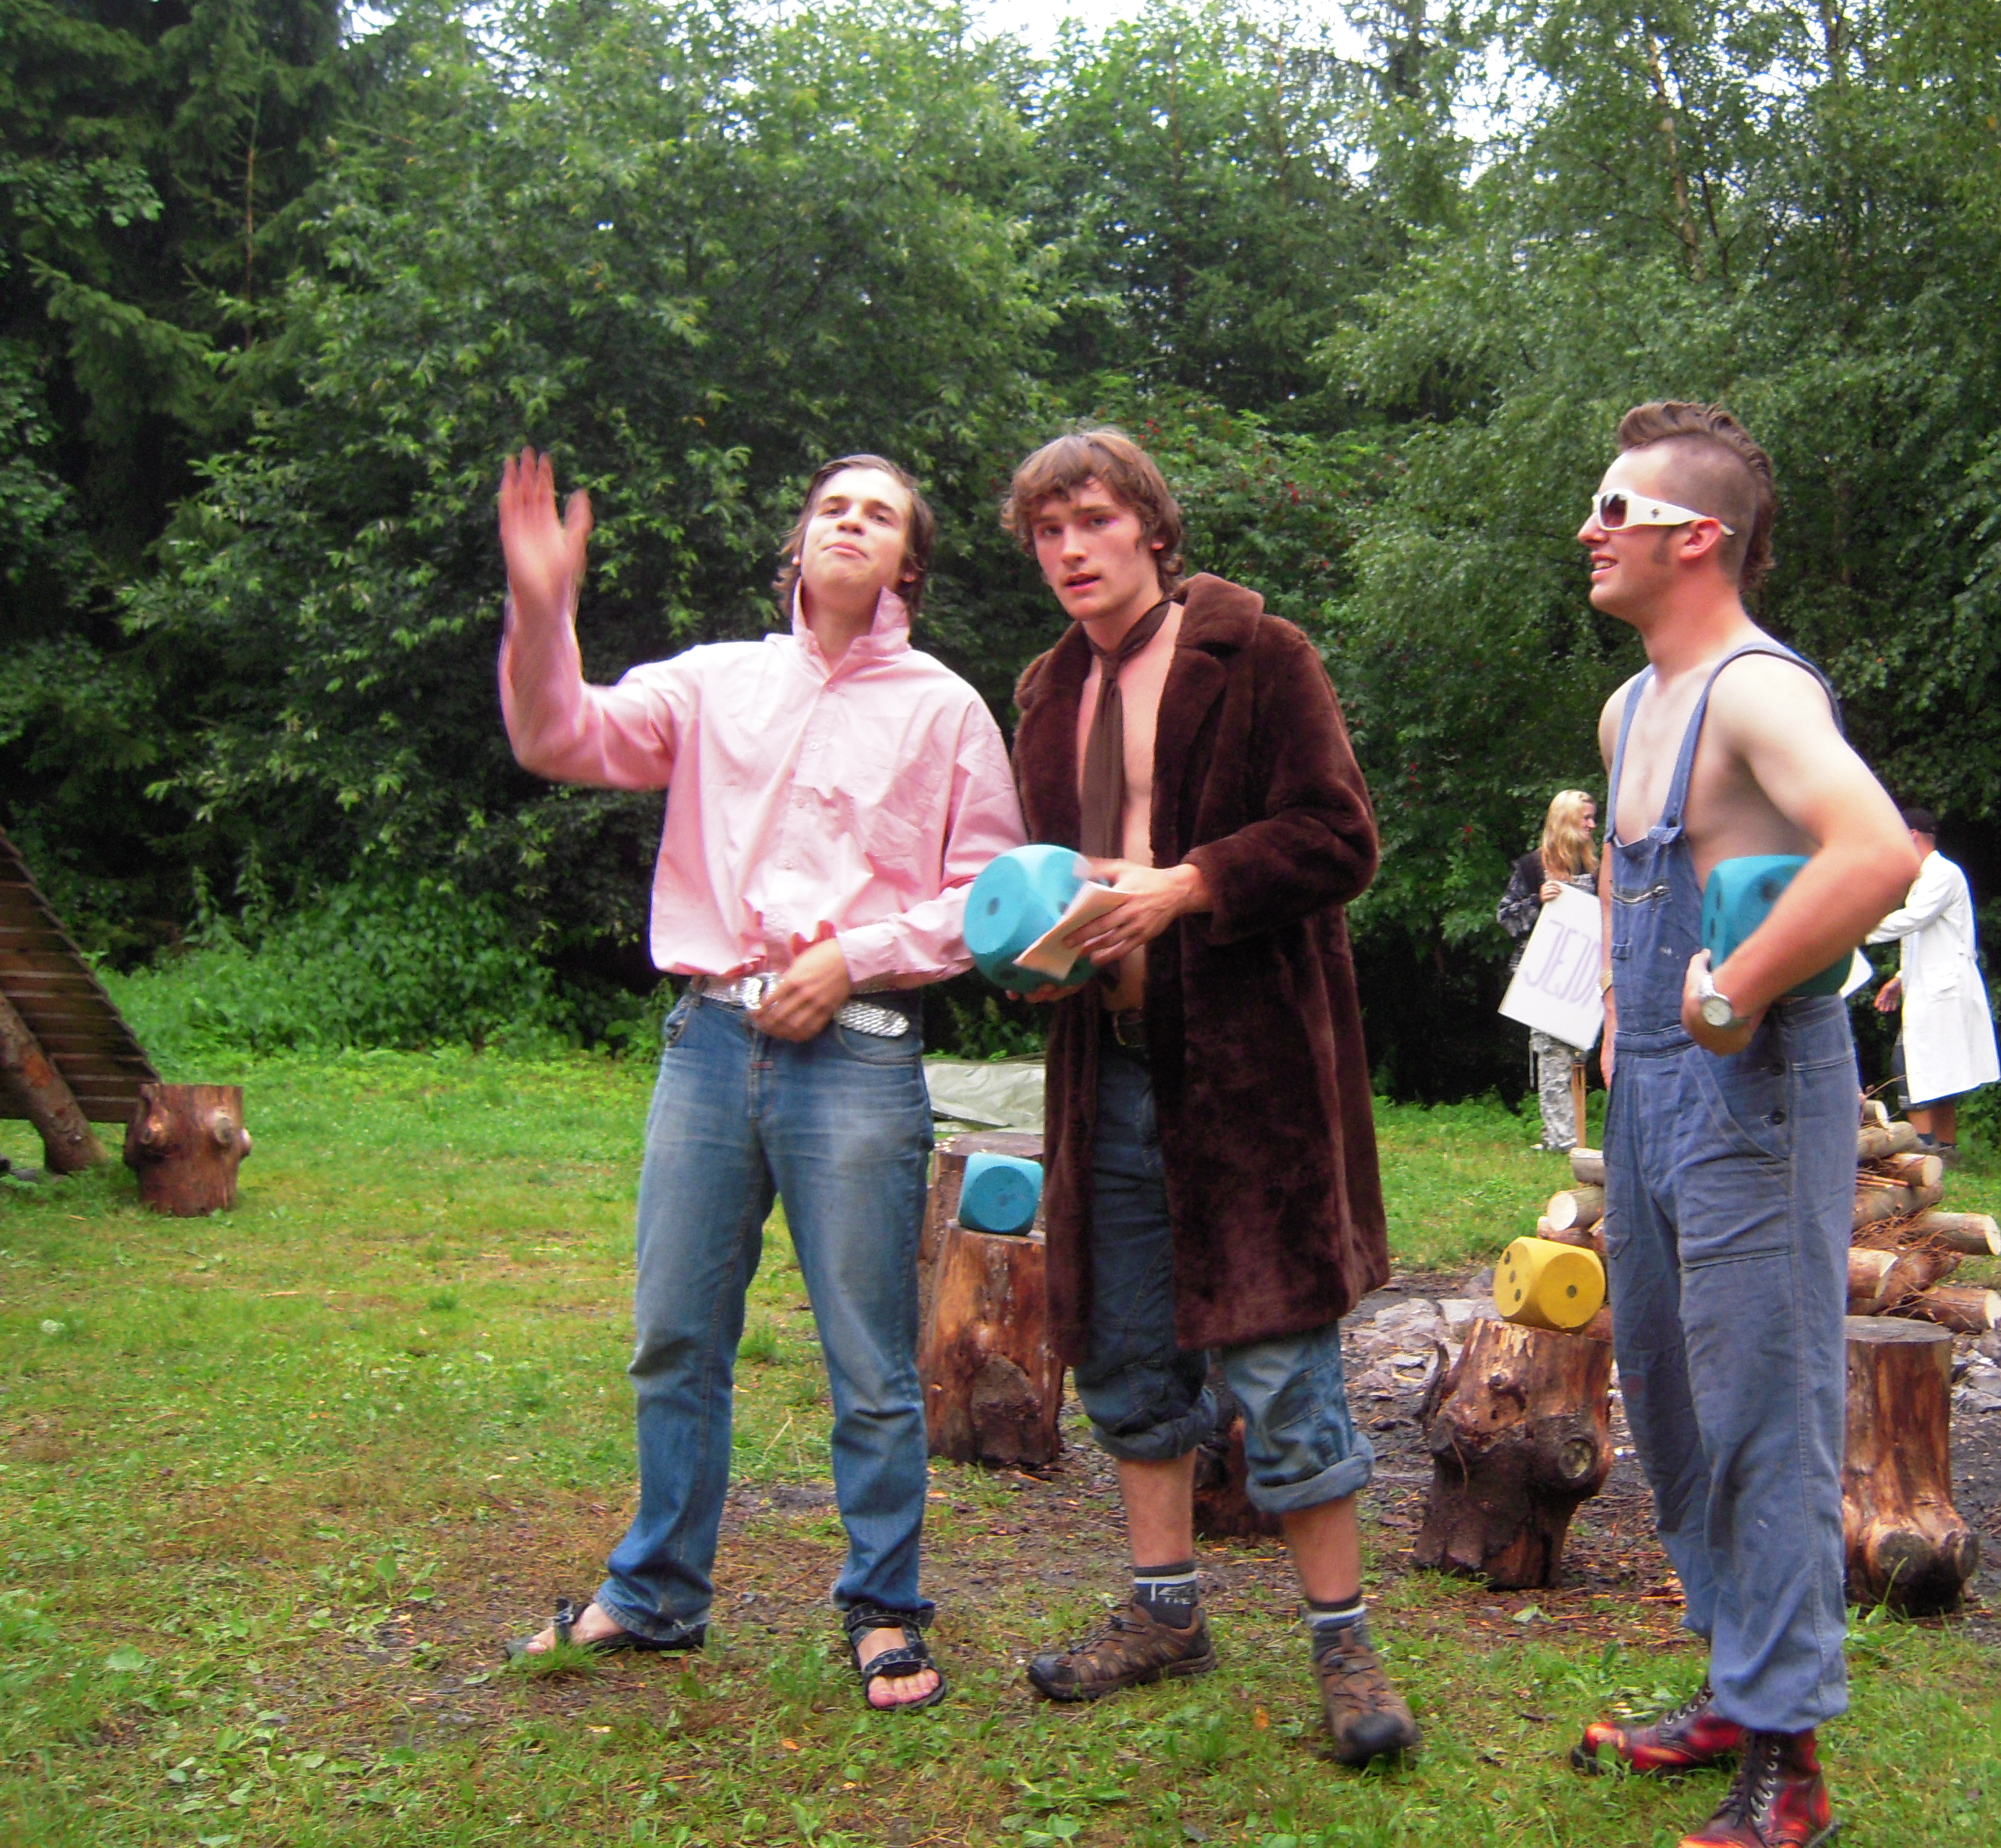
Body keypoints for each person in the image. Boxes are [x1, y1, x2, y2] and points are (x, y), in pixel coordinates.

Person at [494, 448, 1024, 1713]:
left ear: (908, 564)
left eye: (880, 514)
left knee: (870, 1360)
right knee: (674, 1336)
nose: (851, 523)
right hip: (709, 1046)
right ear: (798, 542)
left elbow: (988, 898)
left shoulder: (947, 709)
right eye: (832, 506)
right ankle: (656, 1592)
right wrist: (542, 607)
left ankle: (885, 1609)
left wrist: (851, 957)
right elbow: (557, 735)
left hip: (861, 1057)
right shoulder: (713, 681)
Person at [999, 428, 1417, 1766]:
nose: (1072, 550)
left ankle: (1342, 1642)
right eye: (1048, 532)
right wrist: (1034, 953)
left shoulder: (1260, 653)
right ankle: (1164, 1613)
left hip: (1249, 1080)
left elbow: (1340, 836)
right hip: (1108, 1070)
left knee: (1281, 1359)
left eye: (1093, 520)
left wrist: (1188, 886)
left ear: (1152, 528)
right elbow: (1043, 874)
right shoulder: (1045, 692)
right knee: (1125, 1350)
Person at [1565, 404, 1920, 1848]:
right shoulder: (1629, 708)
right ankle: (1732, 1684)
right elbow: (1628, 882)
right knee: (1667, 1394)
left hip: (1754, 1087)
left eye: (1614, 509)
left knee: (1764, 1410)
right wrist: (1618, 1018)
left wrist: (1733, 991)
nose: (1588, 531)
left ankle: (1788, 1762)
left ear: (1695, 537)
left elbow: (1877, 851)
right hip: (1653, 1089)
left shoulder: (1757, 691)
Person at [1867, 806, 2000, 1150]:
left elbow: (1915, 919)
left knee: (1911, 1066)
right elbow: (1930, 938)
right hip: (1932, 984)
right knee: (1939, 1069)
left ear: (1911, 835)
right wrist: (1900, 977)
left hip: (1944, 988)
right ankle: (1945, 1149)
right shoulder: (1926, 877)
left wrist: (1855, 931)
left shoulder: (1943, 873)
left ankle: (1924, 1149)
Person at [1498, 791, 1602, 1151]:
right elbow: (1505, 917)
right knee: (1550, 1051)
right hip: (1543, 975)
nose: (1593, 825)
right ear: (1566, 820)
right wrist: (1537, 901)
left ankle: (1574, 1133)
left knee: (1579, 1054)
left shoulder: (1596, 869)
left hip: (1585, 976)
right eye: (1585, 818)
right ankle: (1559, 1138)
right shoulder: (1532, 867)